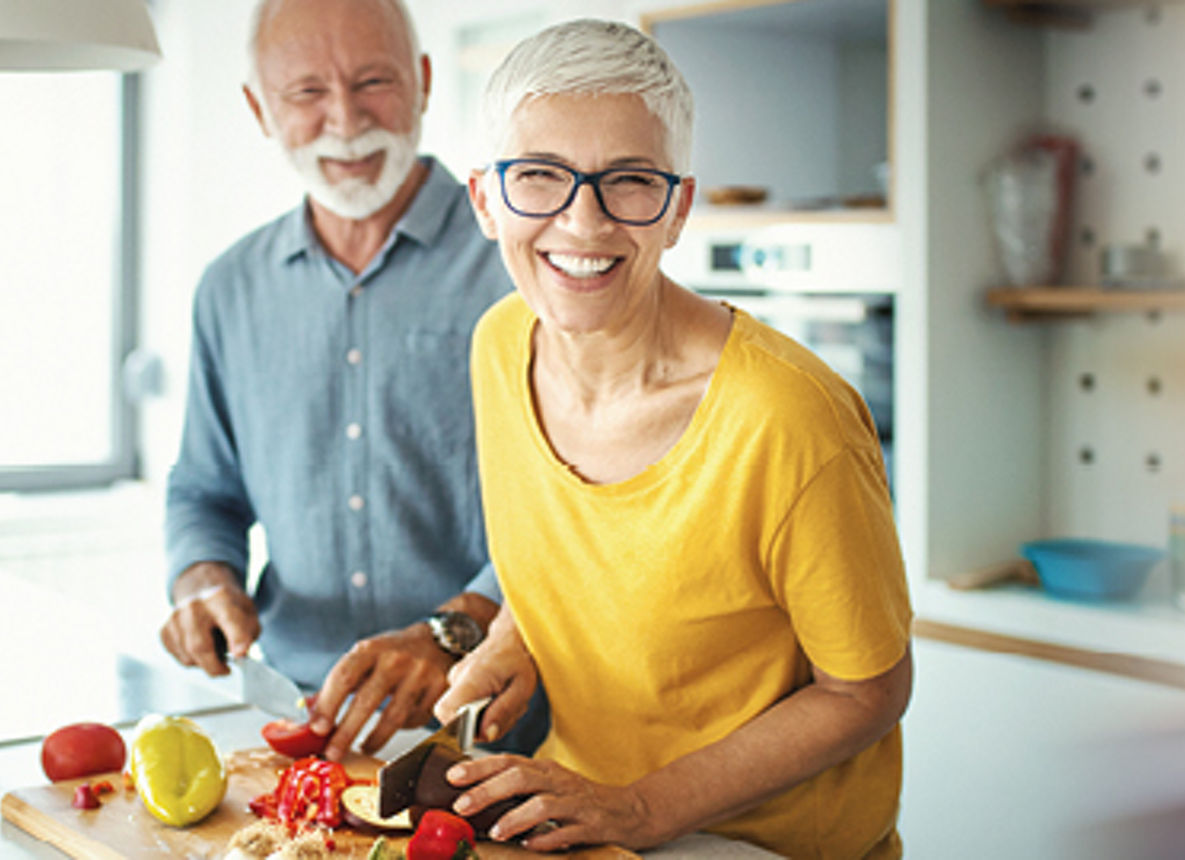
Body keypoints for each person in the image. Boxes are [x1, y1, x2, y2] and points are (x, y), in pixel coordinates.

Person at [433, 18, 913, 858]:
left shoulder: (790, 416)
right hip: (584, 822)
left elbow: (867, 690)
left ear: (678, 209)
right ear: (485, 199)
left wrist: (643, 809)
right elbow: (584, 557)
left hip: (761, 842)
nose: (583, 223)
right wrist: (518, 637)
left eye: (628, 182)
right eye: (539, 176)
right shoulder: (499, 344)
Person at [159, 0, 545, 761]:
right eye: (307, 92)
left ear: (425, 82)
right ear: (258, 108)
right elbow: (205, 488)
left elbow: (580, 506)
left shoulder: (526, 265)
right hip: (290, 722)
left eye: (374, 81)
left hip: (490, 727)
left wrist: (454, 630)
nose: (345, 120)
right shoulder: (228, 287)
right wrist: (202, 579)